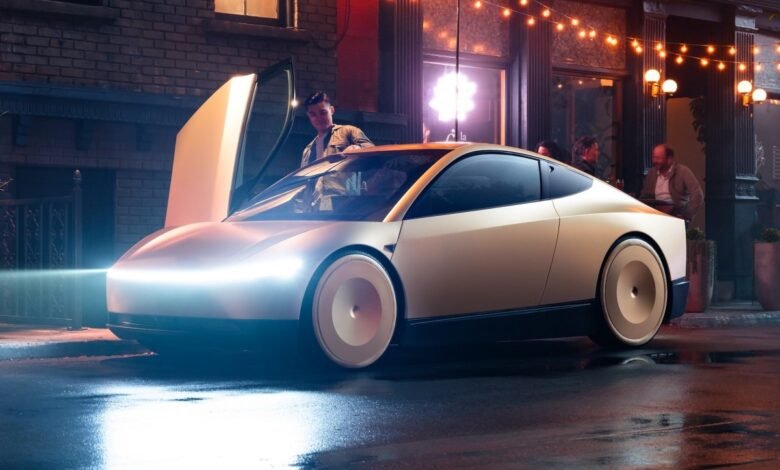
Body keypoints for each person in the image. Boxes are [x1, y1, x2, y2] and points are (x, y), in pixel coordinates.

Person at [300, 91, 374, 168]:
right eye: (313, 115)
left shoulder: (348, 131)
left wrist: (356, 149)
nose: (319, 118)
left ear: (331, 110)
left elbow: (373, 151)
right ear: (308, 116)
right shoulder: (307, 150)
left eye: (323, 113)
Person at [641, 144, 704, 222]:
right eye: (653, 157)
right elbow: (644, 197)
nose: (654, 161)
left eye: (658, 158)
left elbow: (698, 195)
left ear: (669, 159)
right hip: (656, 217)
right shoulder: (651, 173)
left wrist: (686, 216)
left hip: (676, 217)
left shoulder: (683, 171)